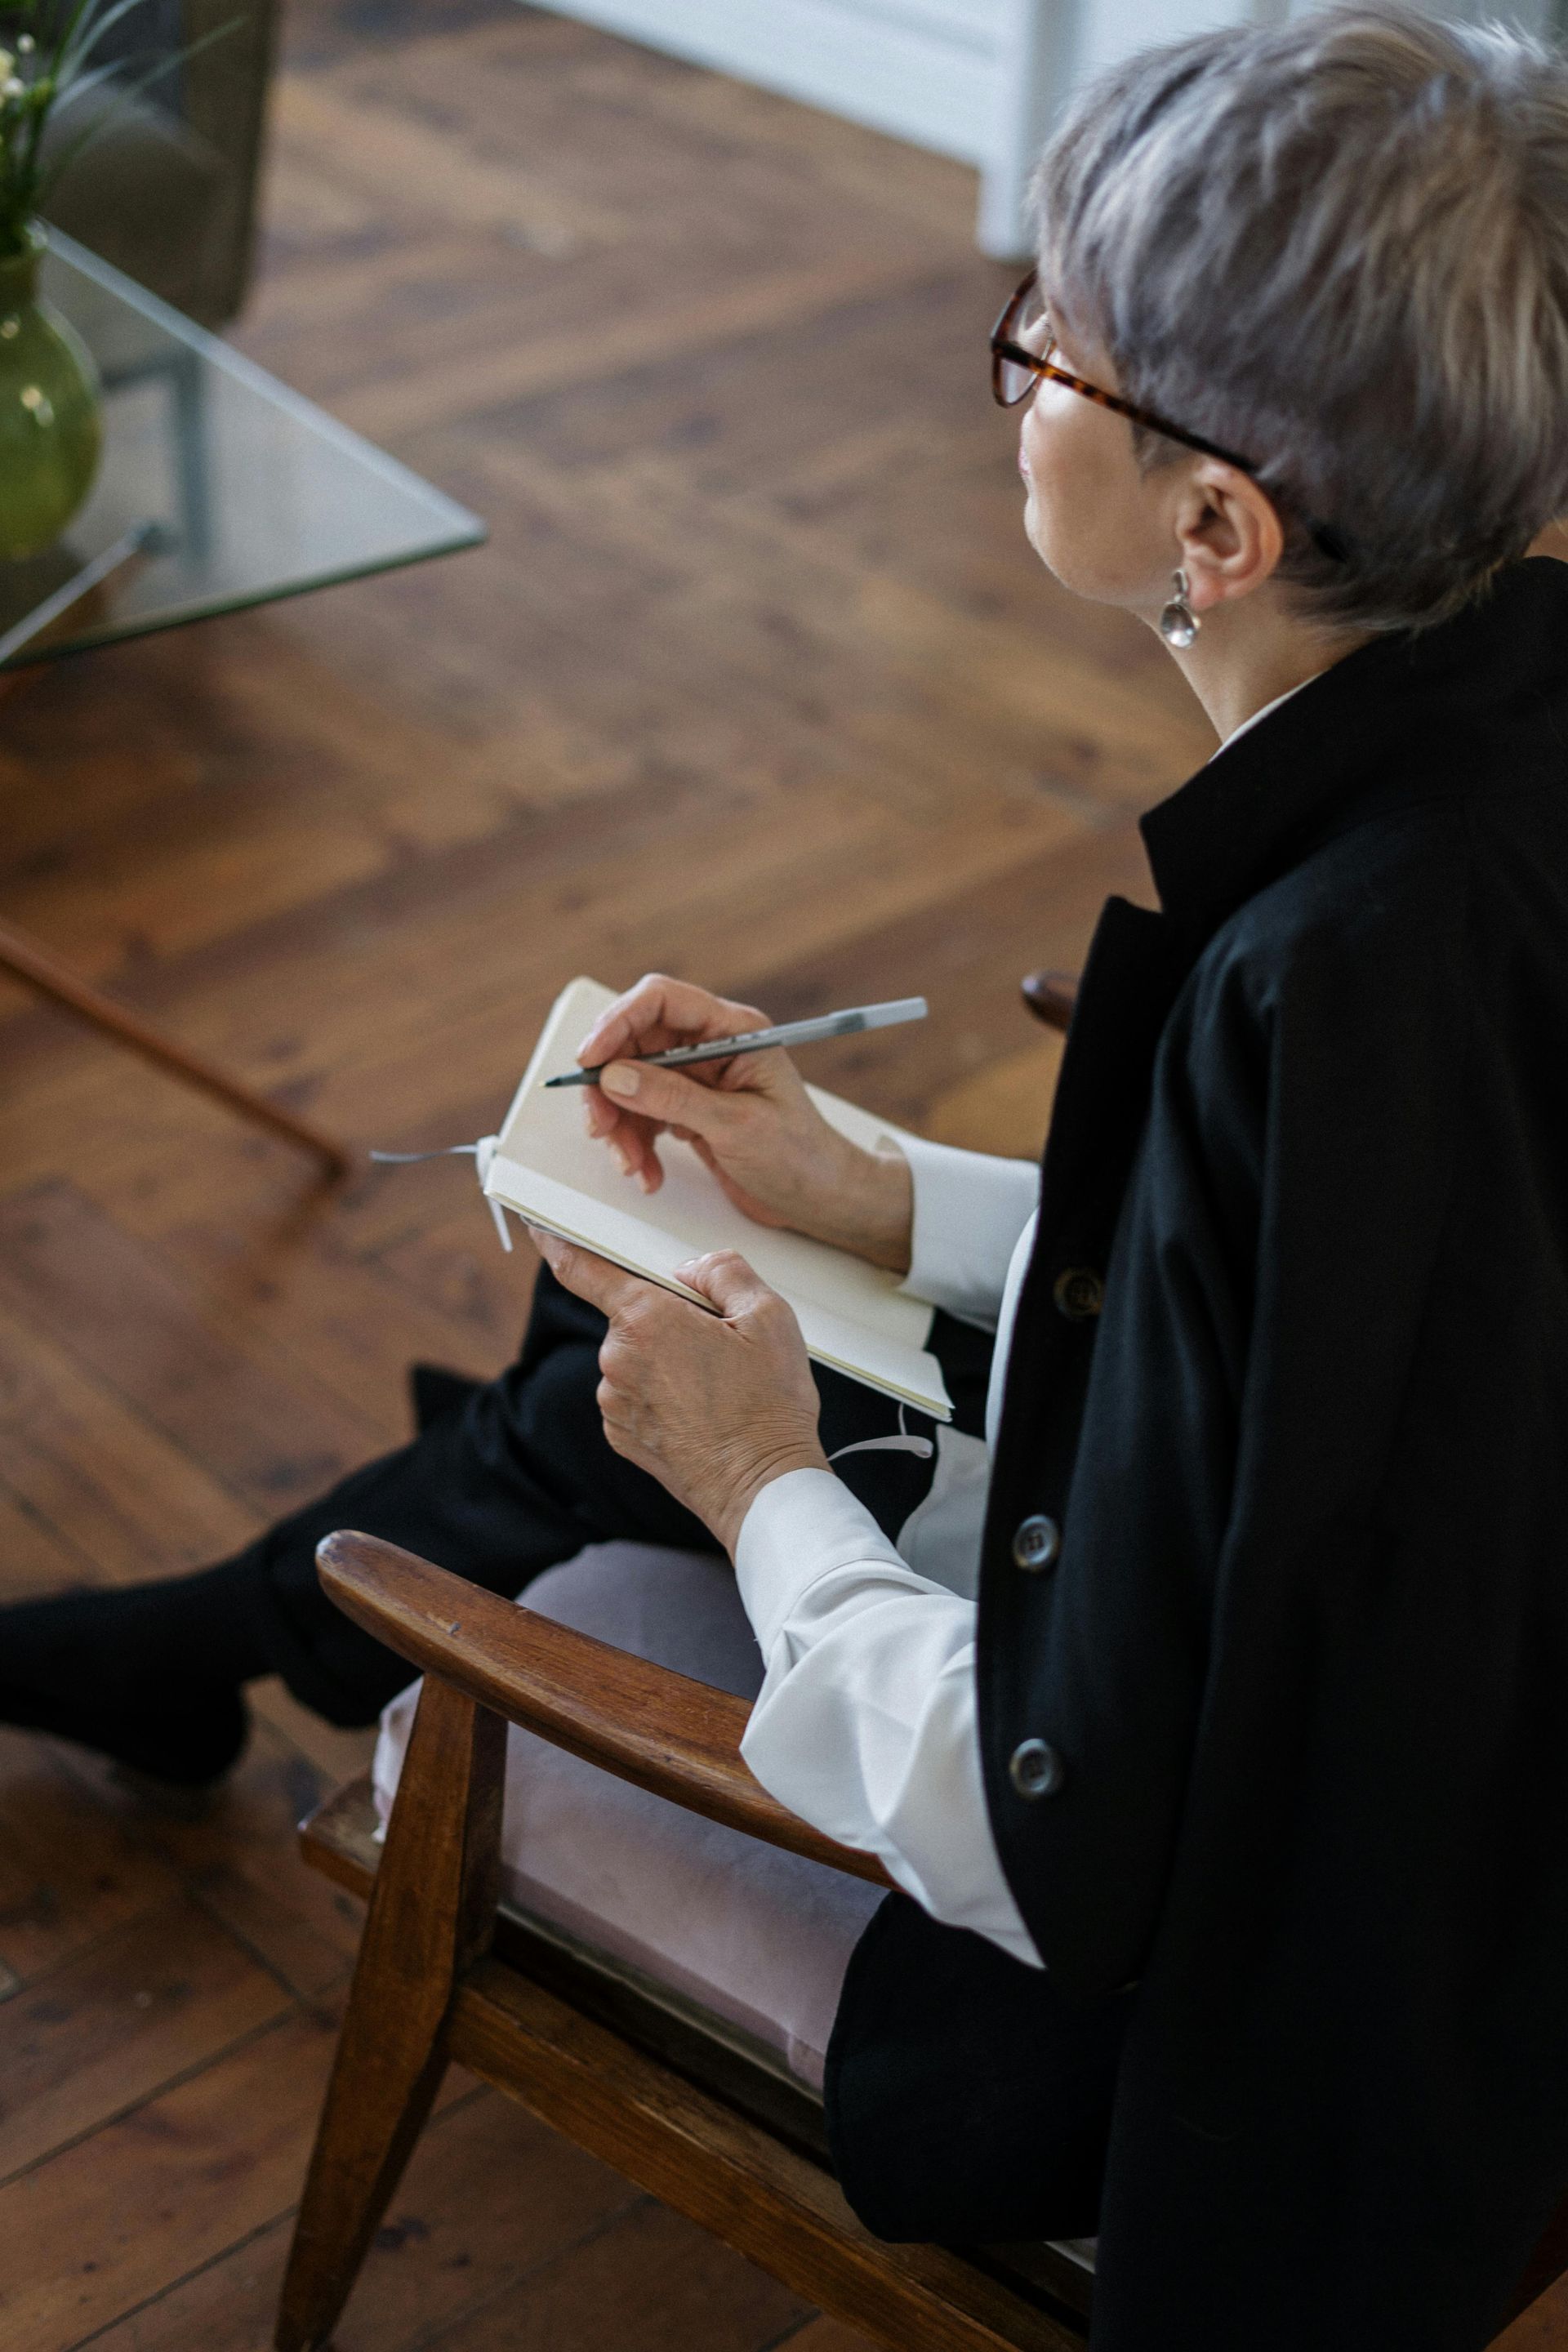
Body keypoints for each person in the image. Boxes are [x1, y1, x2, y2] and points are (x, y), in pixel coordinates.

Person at [7, 7, 1568, 2342]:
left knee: (664, 1384)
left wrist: (760, 1496)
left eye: (1051, 344)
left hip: (1223, 2048)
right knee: (644, 1309)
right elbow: (1315, 1320)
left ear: (1215, 526)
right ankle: (239, 1633)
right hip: (1441, 1792)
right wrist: (876, 1192)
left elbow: (1052, 1833)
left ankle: (266, 1627)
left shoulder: (1312, 998)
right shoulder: (1479, 780)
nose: (1018, 373)